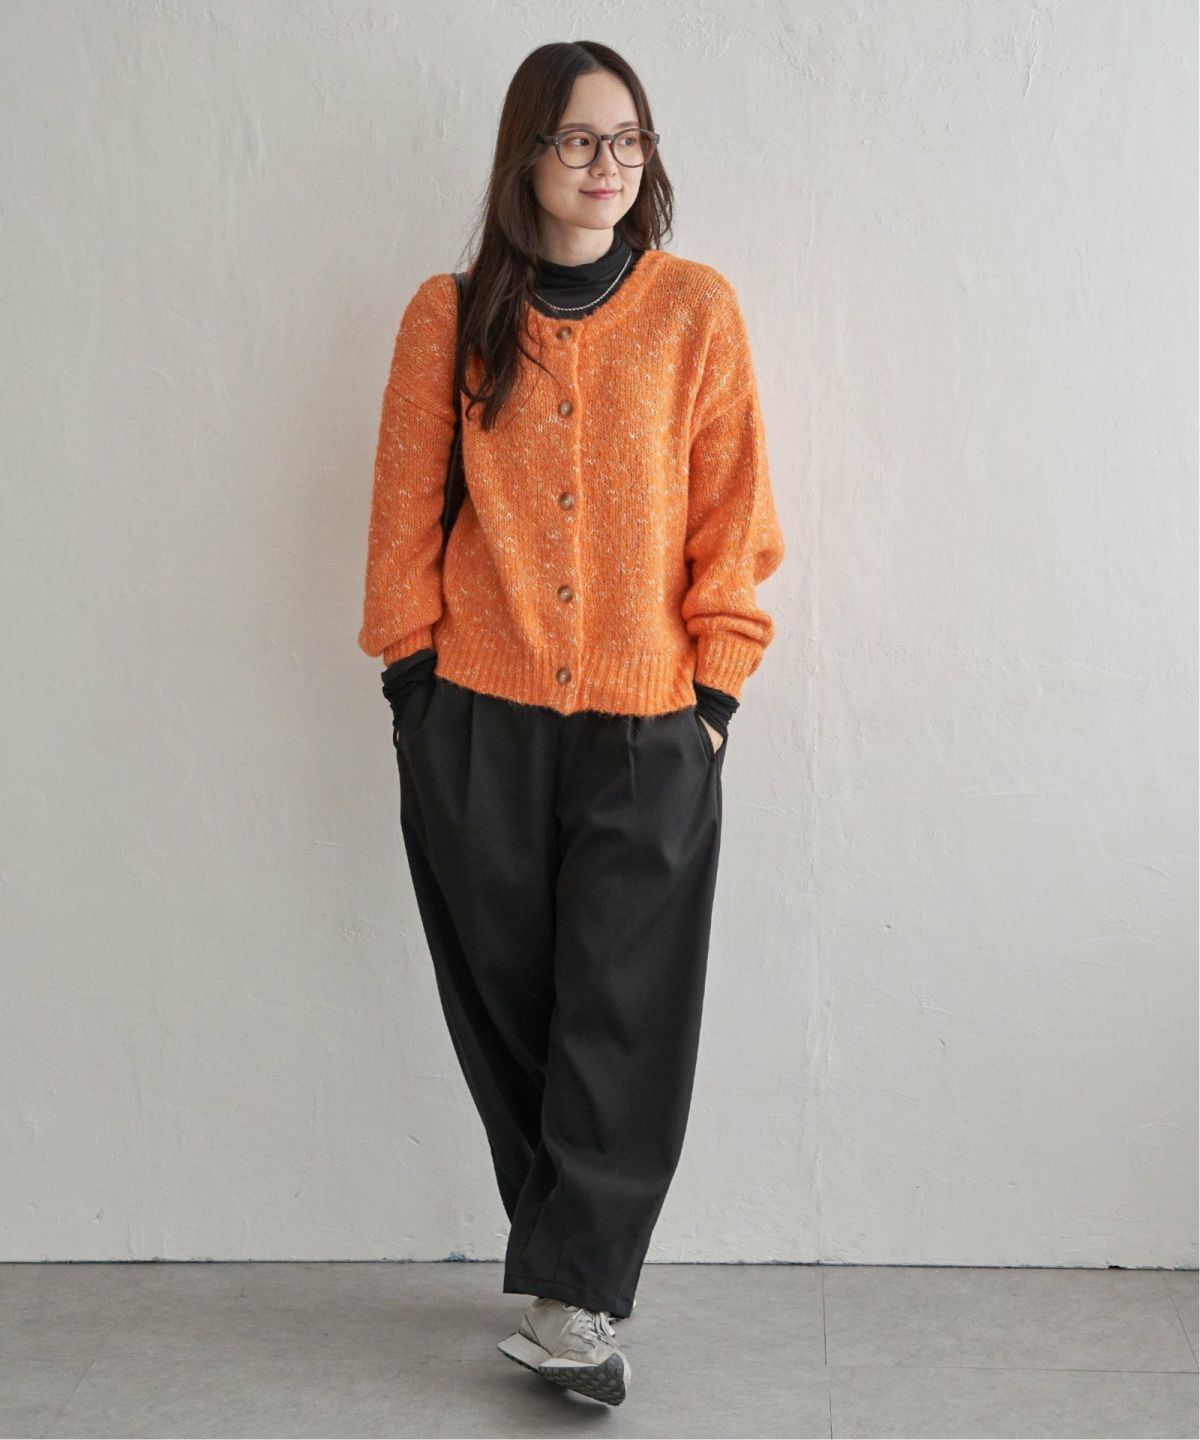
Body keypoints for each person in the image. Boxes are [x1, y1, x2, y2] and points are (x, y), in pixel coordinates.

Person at [358, 40, 786, 1408]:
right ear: (525, 155)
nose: (609, 165)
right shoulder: (450, 316)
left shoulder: (693, 310)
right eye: (579, 140)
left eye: (628, 140)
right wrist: (413, 688)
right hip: (474, 720)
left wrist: (714, 696)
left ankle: (580, 1302)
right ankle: (563, 1282)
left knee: (624, 1010)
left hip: (650, 723)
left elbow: (733, 513)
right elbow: (402, 512)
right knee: (511, 1002)